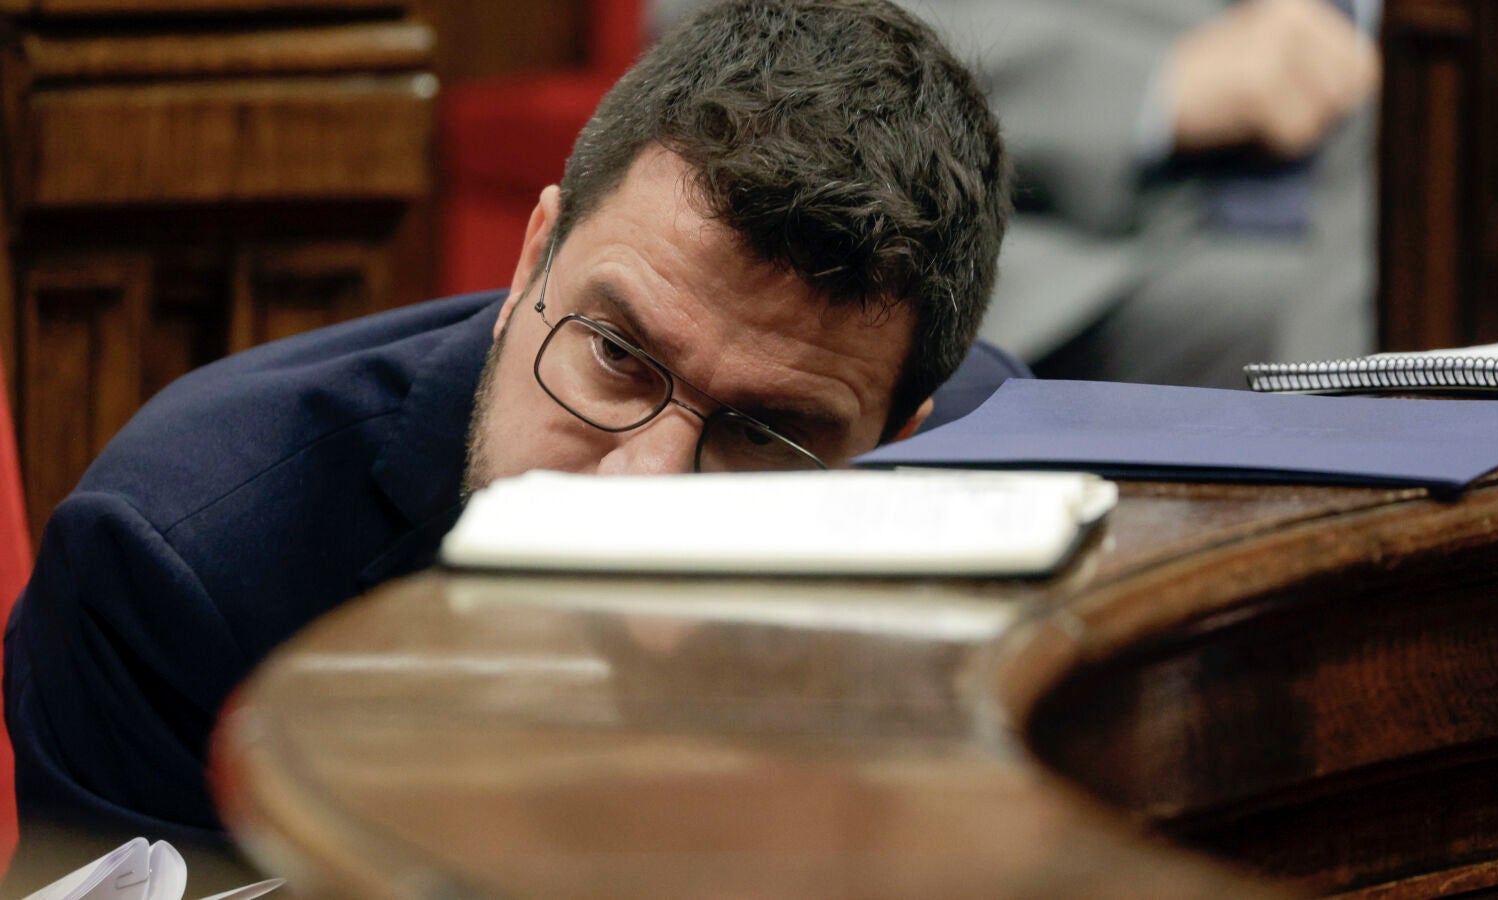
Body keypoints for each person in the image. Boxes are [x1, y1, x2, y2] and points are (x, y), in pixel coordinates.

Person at [2, 0, 1011, 856]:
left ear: (894, 446)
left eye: (766, 434)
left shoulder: (1000, 498)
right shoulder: (182, 564)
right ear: (532, 261)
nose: (645, 492)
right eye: (615, 355)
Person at [657, 0, 1380, 387]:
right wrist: (1155, 87)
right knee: (1371, 331)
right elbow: (731, 26)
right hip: (1077, 247)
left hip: (1374, 205)